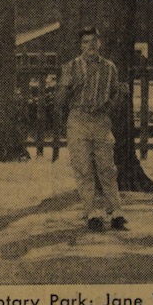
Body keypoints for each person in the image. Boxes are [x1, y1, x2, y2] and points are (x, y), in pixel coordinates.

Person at [54, 27, 126, 231]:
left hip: (101, 120)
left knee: (107, 167)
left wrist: (114, 102)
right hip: (78, 118)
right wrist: (64, 88)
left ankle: (116, 211)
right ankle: (91, 212)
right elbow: (60, 100)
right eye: (85, 42)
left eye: (94, 41)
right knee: (83, 167)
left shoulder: (110, 68)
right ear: (81, 45)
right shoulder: (72, 67)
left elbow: (114, 96)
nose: (90, 46)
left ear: (99, 43)